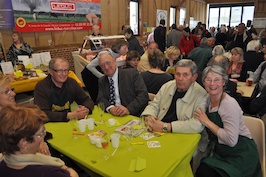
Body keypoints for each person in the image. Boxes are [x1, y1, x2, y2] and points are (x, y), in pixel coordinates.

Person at [194, 65, 262, 177]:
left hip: (240, 152)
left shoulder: (228, 105)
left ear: (224, 82)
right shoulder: (206, 99)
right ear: (203, 82)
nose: (212, 84)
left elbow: (231, 140)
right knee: (202, 168)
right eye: (208, 80)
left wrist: (207, 122)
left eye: (217, 80)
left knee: (205, 172)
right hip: (221, 150)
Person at [0, 104, 78, 177]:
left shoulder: (3, 163)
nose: (42, 137)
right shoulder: (48, 172)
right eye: (40, 134)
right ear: (24, 143)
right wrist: (69, 170)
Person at [141, 59, 207, 133]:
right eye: (178, 74)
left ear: (194, 77)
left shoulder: (202, 95)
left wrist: (167, 127)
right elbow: (154, 105)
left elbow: (197, 124)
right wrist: (149, 116)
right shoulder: (167, 86)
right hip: (157, 129)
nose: (180, 78)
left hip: (181, 135)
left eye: (185, 75)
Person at [0, 75, 51, 156]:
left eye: (11, 90)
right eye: (7, 92)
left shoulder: (19, 112)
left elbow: (36, 128)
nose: (13, 94)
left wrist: (41, 141)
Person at [34, 58, 94, 122]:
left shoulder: (71, 83)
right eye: (59, 71)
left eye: (66, 70)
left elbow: (86, 100)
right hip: (49, 125)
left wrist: (86, 109)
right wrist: (71, 115)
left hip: (68, 123)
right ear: (51, 72)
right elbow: (43, 114)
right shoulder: (41, 87)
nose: (64, 74)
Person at [97, 51, 149, 117]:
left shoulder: (131, 74)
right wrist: (110, 108)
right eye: (102, 65)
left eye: (108, 63)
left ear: (114, 61)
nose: (106, 67)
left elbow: (143, 95)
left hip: (132, 115)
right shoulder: (102, 80)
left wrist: (128, 109)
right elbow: (100, 98)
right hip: (113, 116)